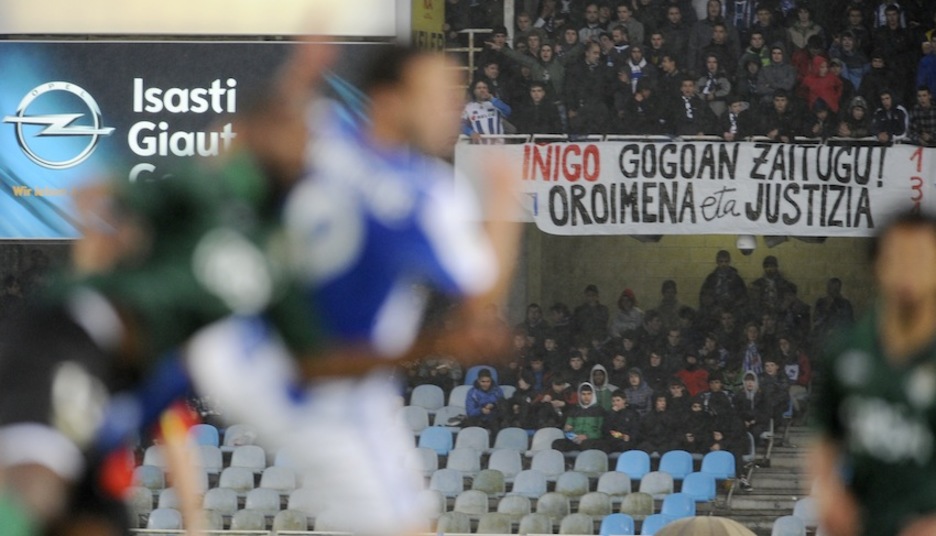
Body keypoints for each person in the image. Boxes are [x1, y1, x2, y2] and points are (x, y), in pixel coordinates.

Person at [812, 211, 936, 536]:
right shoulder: (844, 350)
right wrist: (826, 491)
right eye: (897, 257)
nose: (909, 268)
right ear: (877, 266)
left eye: (922, 257)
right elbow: (825, 437)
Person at [552, 382, 606, 452]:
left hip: (591, 440)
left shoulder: (599, 410)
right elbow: (567, 430)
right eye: (583, 394)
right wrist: (570, 433)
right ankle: (568, 463)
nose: (586, 397)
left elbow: (600, 432)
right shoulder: (574, 410)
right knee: (557, 443)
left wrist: (586, 436)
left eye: (589, 394)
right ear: (579, 395)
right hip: (575, 440)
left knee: (587, 444)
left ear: (593, 395)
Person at [462, 78, 513, 142]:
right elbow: (462, 125)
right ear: (474, 91)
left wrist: (491, 99)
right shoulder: (469, 107)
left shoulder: (495, 104)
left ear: (488, 90)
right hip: (479, 147)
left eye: (484, 88)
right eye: (479, 88)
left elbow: (508, 111)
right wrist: (471, 132)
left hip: (498, 147)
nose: (482, 90)